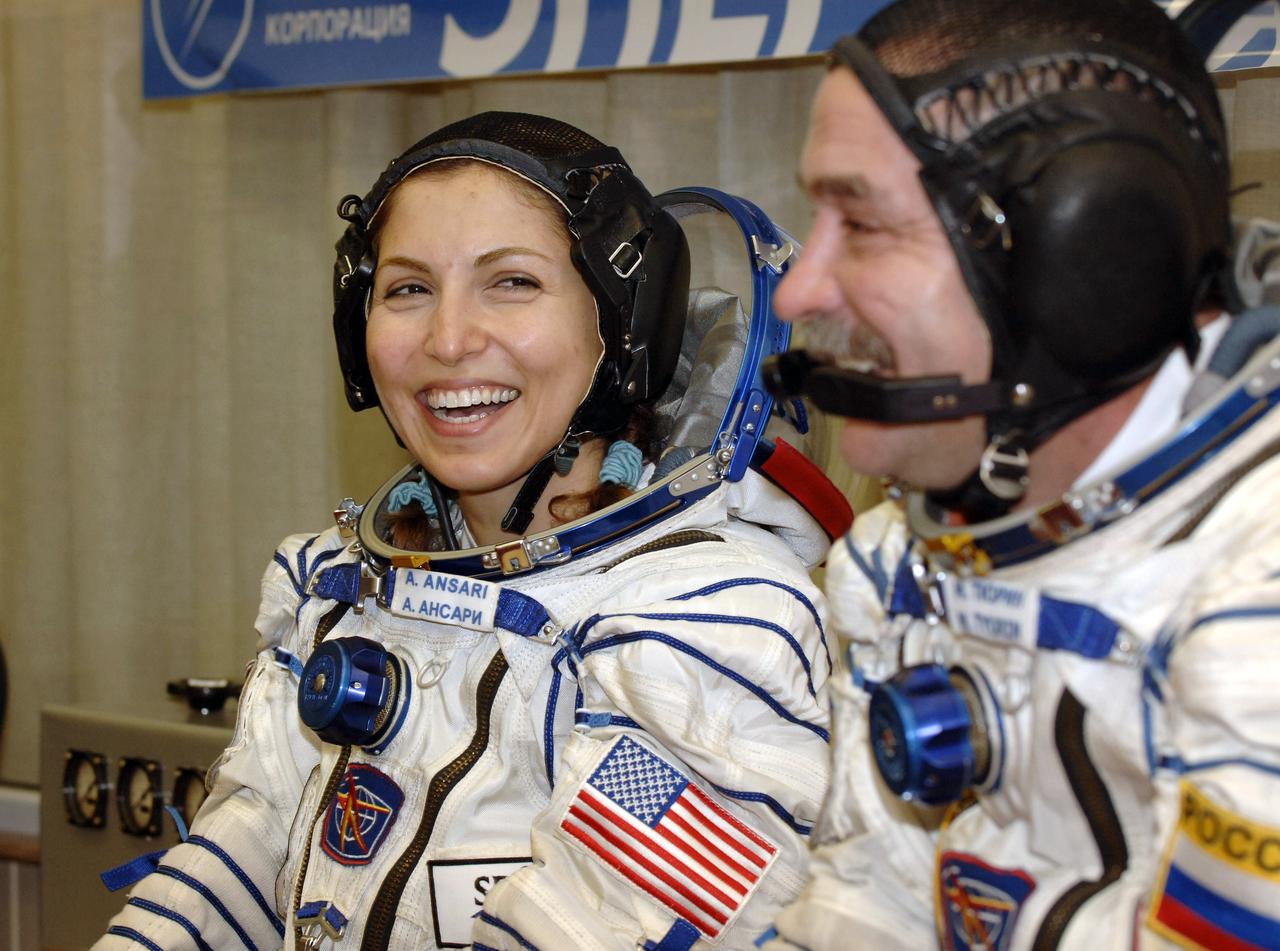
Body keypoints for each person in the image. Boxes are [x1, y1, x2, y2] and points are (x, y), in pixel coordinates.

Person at [96, 112, 847, 951]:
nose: (449, 340)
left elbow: (604, 926)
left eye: (512, 282)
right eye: (408, 289)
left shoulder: (713, 622)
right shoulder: (338, 591)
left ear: (622, 326)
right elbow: (231, 868)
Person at [759, 1, 1280, 949]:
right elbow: (866, 906)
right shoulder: (895, 562)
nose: (798, 290)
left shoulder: (1255, 608)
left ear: (1088, 255)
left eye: (862, 223)